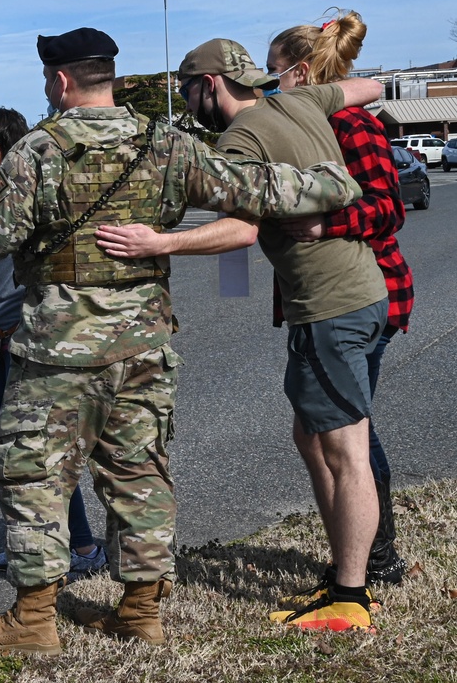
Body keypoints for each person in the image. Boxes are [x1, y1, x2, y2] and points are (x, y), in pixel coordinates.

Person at [0, 27, 364, 655]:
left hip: (58, 351)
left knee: (34, 475)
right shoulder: (168, 144)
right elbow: (257, 189)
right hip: (144, 345)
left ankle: (34, 620)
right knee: (139, 473)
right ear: (111, 77)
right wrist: (336, 184)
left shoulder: (36, 153)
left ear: (61, 81)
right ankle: (140, 610)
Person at [100, 37, 386, 633]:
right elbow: (373, 87)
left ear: (210, 85)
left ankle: (352, 598)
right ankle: (344, 576)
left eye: (186, 90)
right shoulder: (300, 101)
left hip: (329, 304)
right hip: (359, 293)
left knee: (345, 452)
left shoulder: (240, 141)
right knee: (313, 436)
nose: (186, 101)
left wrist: (161, 243)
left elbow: (240, 231)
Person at [266, 10, 412, 590]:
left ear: (302, 73)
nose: (272, 84)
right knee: (327, 428)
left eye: (277, 72)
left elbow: (388, 207)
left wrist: (327, 227)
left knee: (349, 430)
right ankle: (368, 555)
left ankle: (377, 561)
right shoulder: (310, 123)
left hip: (364, 292)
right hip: (328, 297)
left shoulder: (352, 124)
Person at [0, 107, 106, 579]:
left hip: (25, 338)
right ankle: (33, 545)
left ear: (9, 148)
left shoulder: (21, 197)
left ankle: (82, 547)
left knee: (42, 452)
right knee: (14, 452)